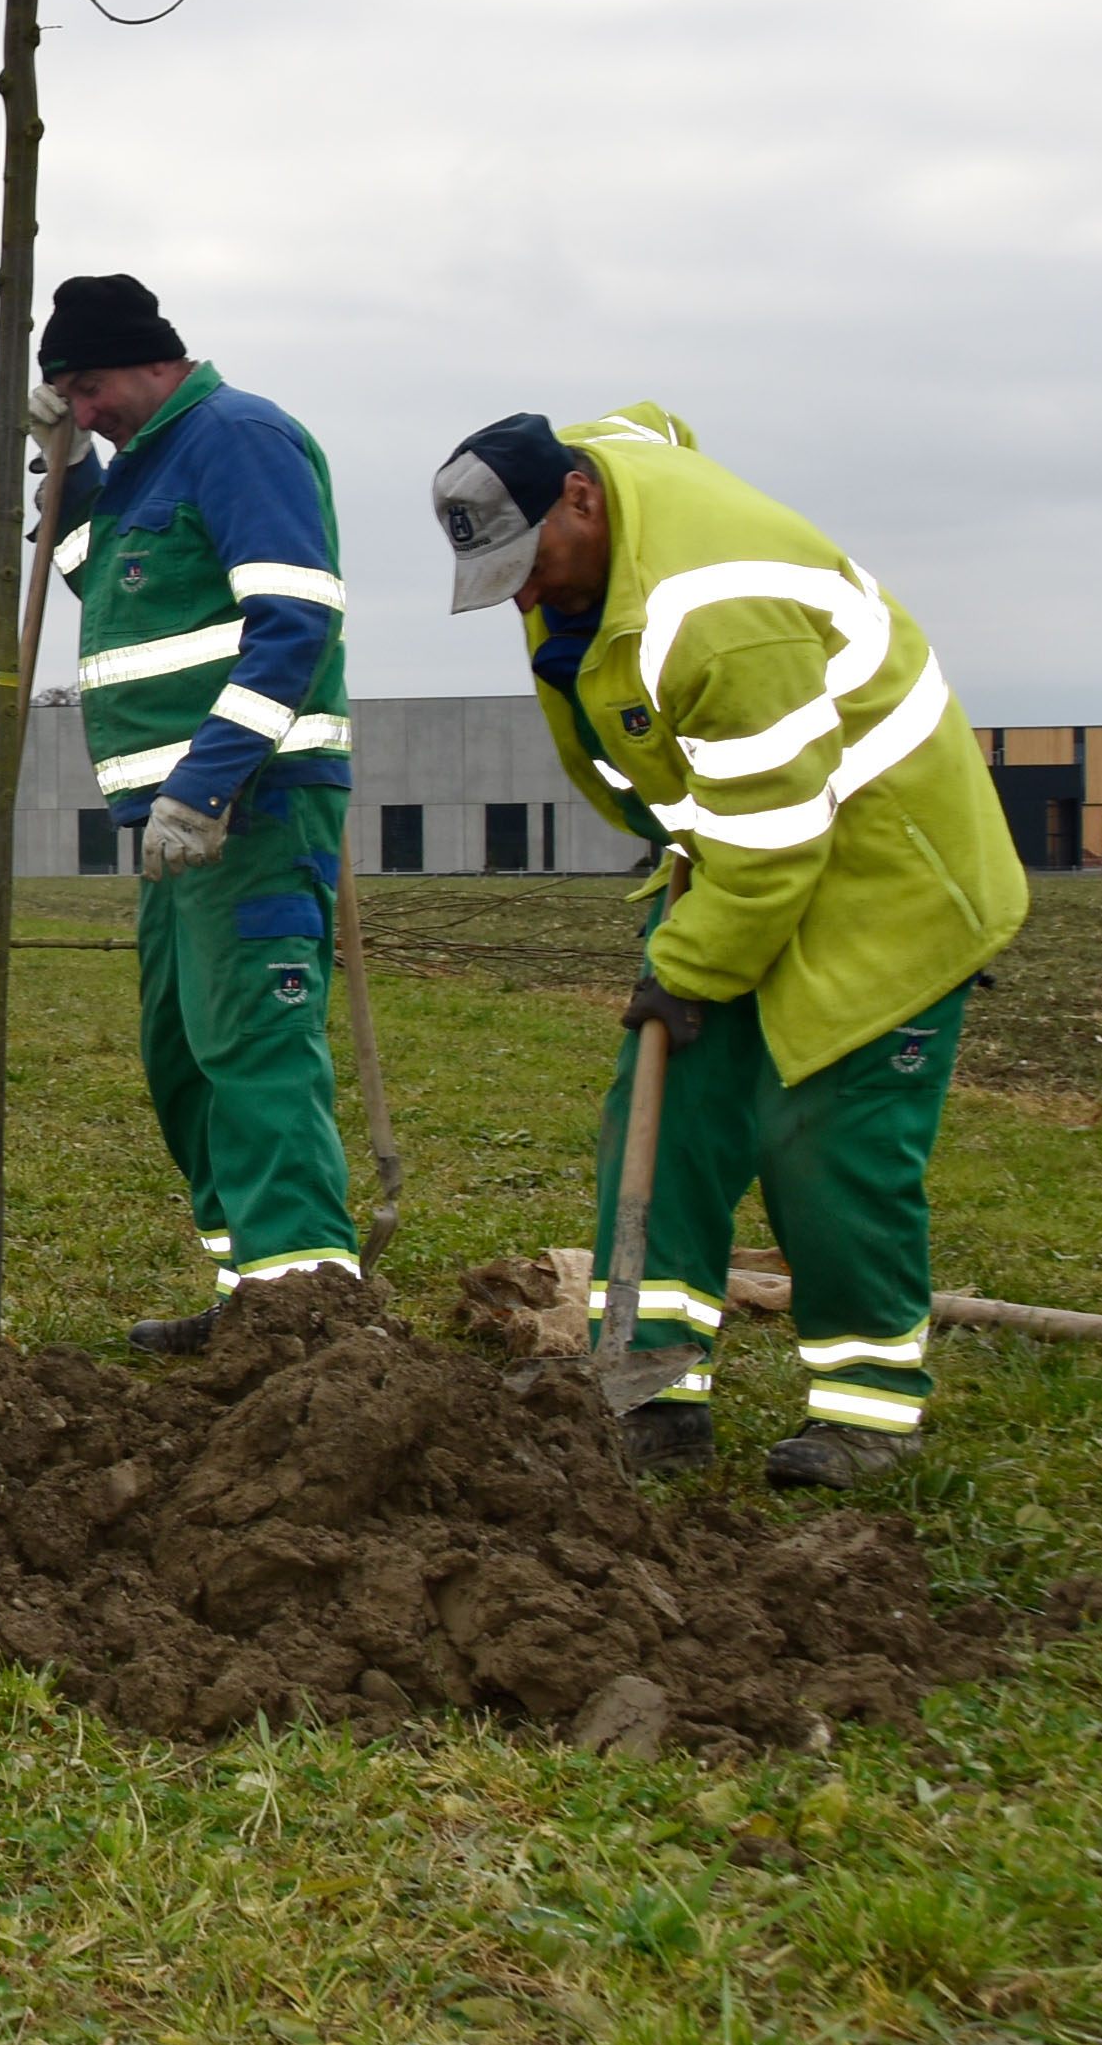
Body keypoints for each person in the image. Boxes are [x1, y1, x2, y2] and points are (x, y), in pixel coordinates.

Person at [430, 408, 1026, 1485]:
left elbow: (777, 836)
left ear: (581, 498)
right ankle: (653, 1392)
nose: (523, 594)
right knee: (665, 1132)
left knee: (825, 1149)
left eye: (532, 565)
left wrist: (683, 969)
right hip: (736, 861)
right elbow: (646, 422)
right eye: (502, 576)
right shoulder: (592, 494)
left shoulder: (716, 612)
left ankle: (864, 1410)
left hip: (882, 879)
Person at [35, 273, 361, 1349]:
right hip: (173, 827)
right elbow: (96, 576)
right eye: (66, 395)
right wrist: (66, 465)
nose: (85, 409)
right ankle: (248, 1301)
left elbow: (293, 621)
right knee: (183, 1061)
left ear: (151, 358)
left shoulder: (237, 437)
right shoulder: (140, 466)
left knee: (254, 1052)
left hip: (250, 809)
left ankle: (306, 1318)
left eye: (88, 390)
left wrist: (208, 781)